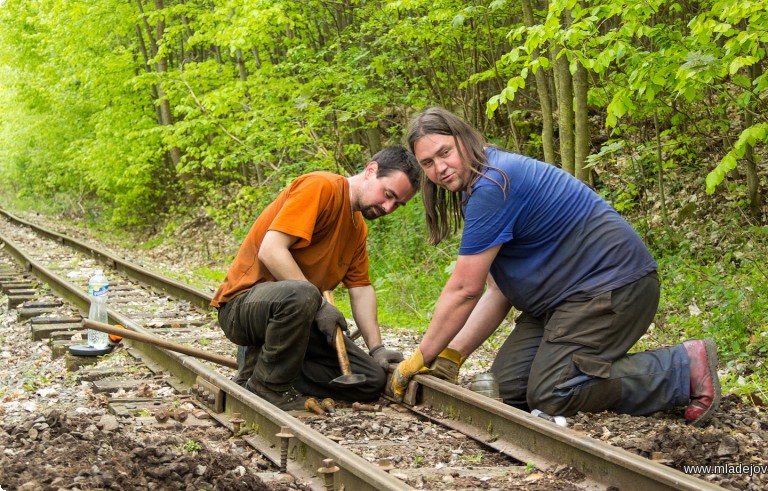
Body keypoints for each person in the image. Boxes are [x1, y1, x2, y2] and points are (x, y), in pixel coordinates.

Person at [391, 107, 720, 427]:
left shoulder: (494, 184)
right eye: (428, 163)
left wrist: (420, 357)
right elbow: (497, 290)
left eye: (444, 152)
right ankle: (584, 367)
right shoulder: (481, 185)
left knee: (551, 394)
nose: (440, 168)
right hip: (563, 301)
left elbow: (465, 289)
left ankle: (681, 367)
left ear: (464, 139)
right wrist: (451, 355)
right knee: (508, 392)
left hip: (612, 288)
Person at [213, 146, 420, 410]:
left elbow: (361, 289)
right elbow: (271, 250)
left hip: (299, 319)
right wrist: (321, 305)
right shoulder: (321, 187)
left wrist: (377, 348)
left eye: (397, 204)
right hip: (243, 308)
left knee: (370, 380)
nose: (388, 207)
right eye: (388, 194)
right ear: (371, 171)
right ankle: (266, 388)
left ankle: (266, 368)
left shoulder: (358, 228)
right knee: (303, 293)